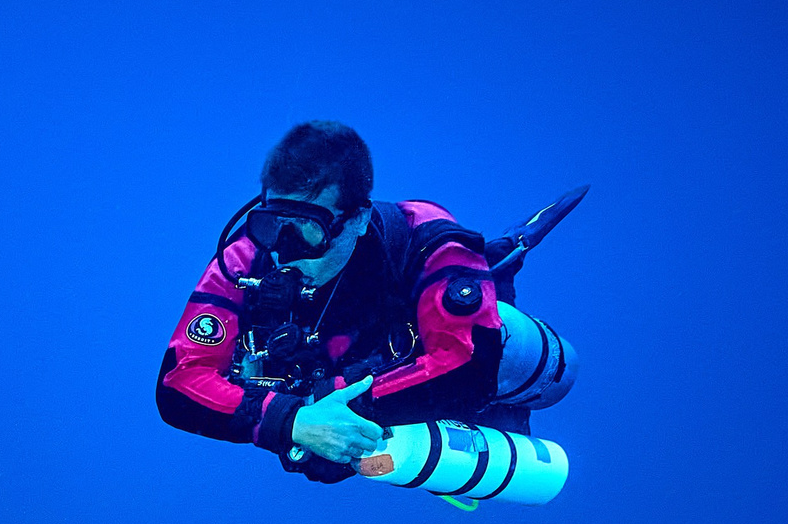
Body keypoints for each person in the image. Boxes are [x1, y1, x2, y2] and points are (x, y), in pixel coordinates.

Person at [155, 121, 523, 485]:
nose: (284, 251)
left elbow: (469, 366)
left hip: (430, 393)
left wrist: (326, 405)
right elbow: (178, 383)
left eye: (308, 228)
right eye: (273, 225)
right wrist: (294, 421)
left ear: (359, 218)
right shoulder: (245, 257)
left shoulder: (427, 242)